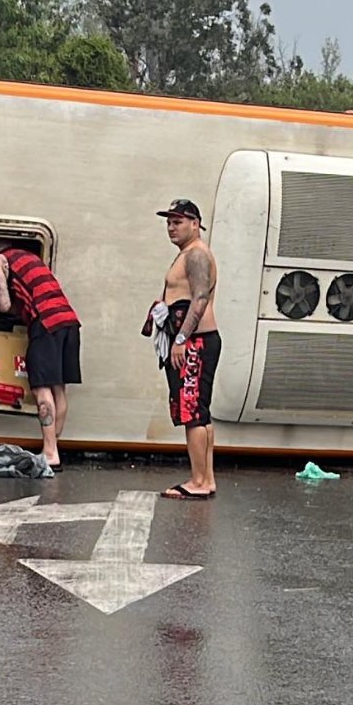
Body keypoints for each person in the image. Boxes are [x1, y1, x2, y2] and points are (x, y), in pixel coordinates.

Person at [0, 240, 81, 471]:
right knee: (58, 388)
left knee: (41, 388)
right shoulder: (32, 260)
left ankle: (49, 453)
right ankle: (53, 447)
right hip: (69, 322)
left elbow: (3, 303)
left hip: (45, 323)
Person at [149, 199, 220, 500]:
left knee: (193, 414)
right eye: (168, 221)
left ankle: (199, 481)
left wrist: (181, 340)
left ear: (195, 223)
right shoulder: (187, 254)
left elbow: (200, 299)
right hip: (193, 341)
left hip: (195, 343)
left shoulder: (196, 256)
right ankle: (207, 478)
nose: (171, 227)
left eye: (178, 221)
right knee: (200, 413)